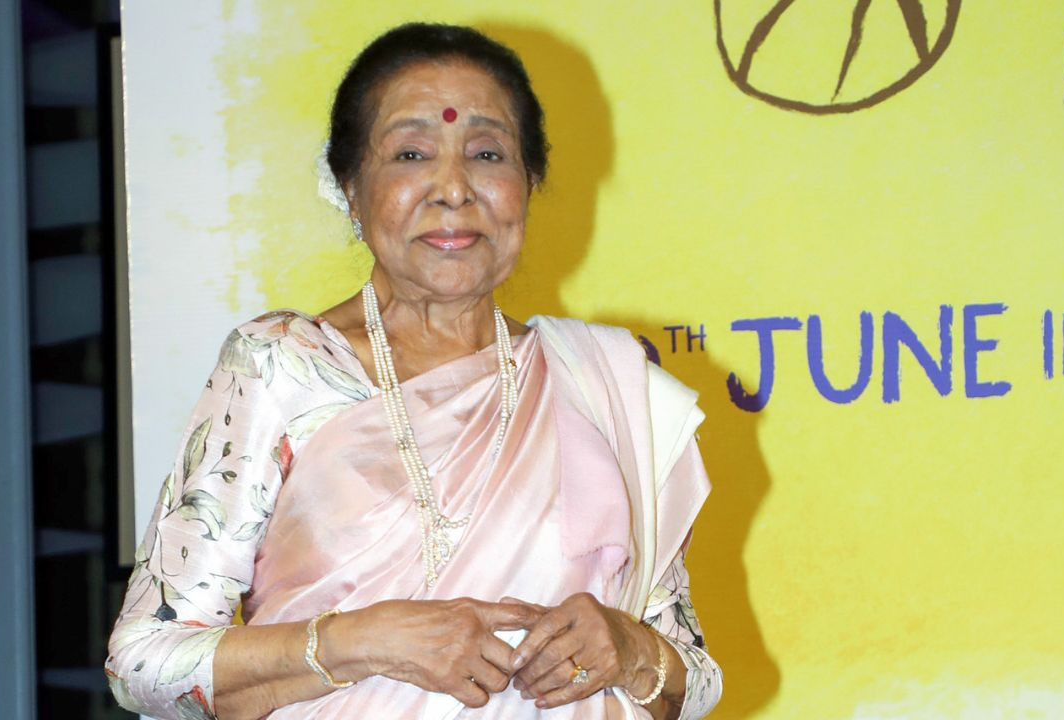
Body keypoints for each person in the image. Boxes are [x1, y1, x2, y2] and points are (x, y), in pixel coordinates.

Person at [106, 22, 722, 720]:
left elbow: (694, 679)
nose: (453, 189)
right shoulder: (283, 366)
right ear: (350, 188)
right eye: (411, 154)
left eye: (487, 154)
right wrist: (362, 642)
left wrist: (630, 647)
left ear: (529, 182)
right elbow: (144, 662)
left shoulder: (600, 386)